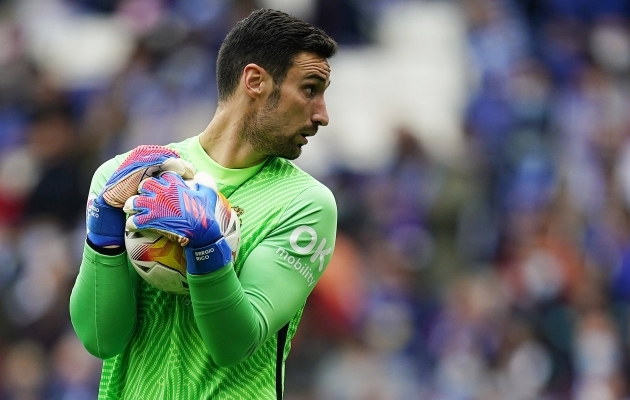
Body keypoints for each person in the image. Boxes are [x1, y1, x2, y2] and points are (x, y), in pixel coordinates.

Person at [69, 8, 338, 400]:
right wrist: (102, 235)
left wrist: (208, 250)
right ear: (255, 81)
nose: (322, 115)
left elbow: (234, 346)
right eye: (310, 89)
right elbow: (99, 339)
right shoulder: (125, 177)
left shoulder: (304, 203)